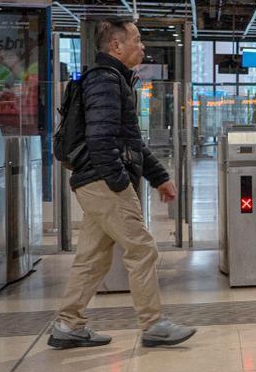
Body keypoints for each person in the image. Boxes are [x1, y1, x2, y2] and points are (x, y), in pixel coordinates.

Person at [48, 20, 196, 349]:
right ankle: (154, 324)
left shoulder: (114, 79)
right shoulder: (106, 81)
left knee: (92, 257)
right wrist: (117, 181)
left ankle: (68, 325)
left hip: (93, 180)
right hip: (103, 182)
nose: (142, 47)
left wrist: (159, 177)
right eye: (137, 40)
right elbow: (102, 138)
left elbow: (130, 141)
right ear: (116, 46)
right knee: (142, 249)